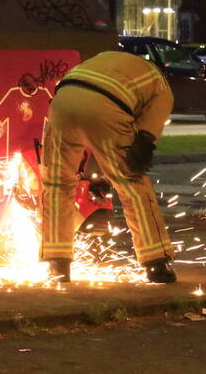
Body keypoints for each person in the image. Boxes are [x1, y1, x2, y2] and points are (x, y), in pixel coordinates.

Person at [41, 50, 177, 284]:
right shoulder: (162, 87)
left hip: (62, 103)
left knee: (57, 184)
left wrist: (102, 174)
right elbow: (142, 143)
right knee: (132, 184)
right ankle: (156, 263)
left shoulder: (109, 60)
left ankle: (57, 264)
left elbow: (92, 134)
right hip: (105, 108)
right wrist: (120, 170)